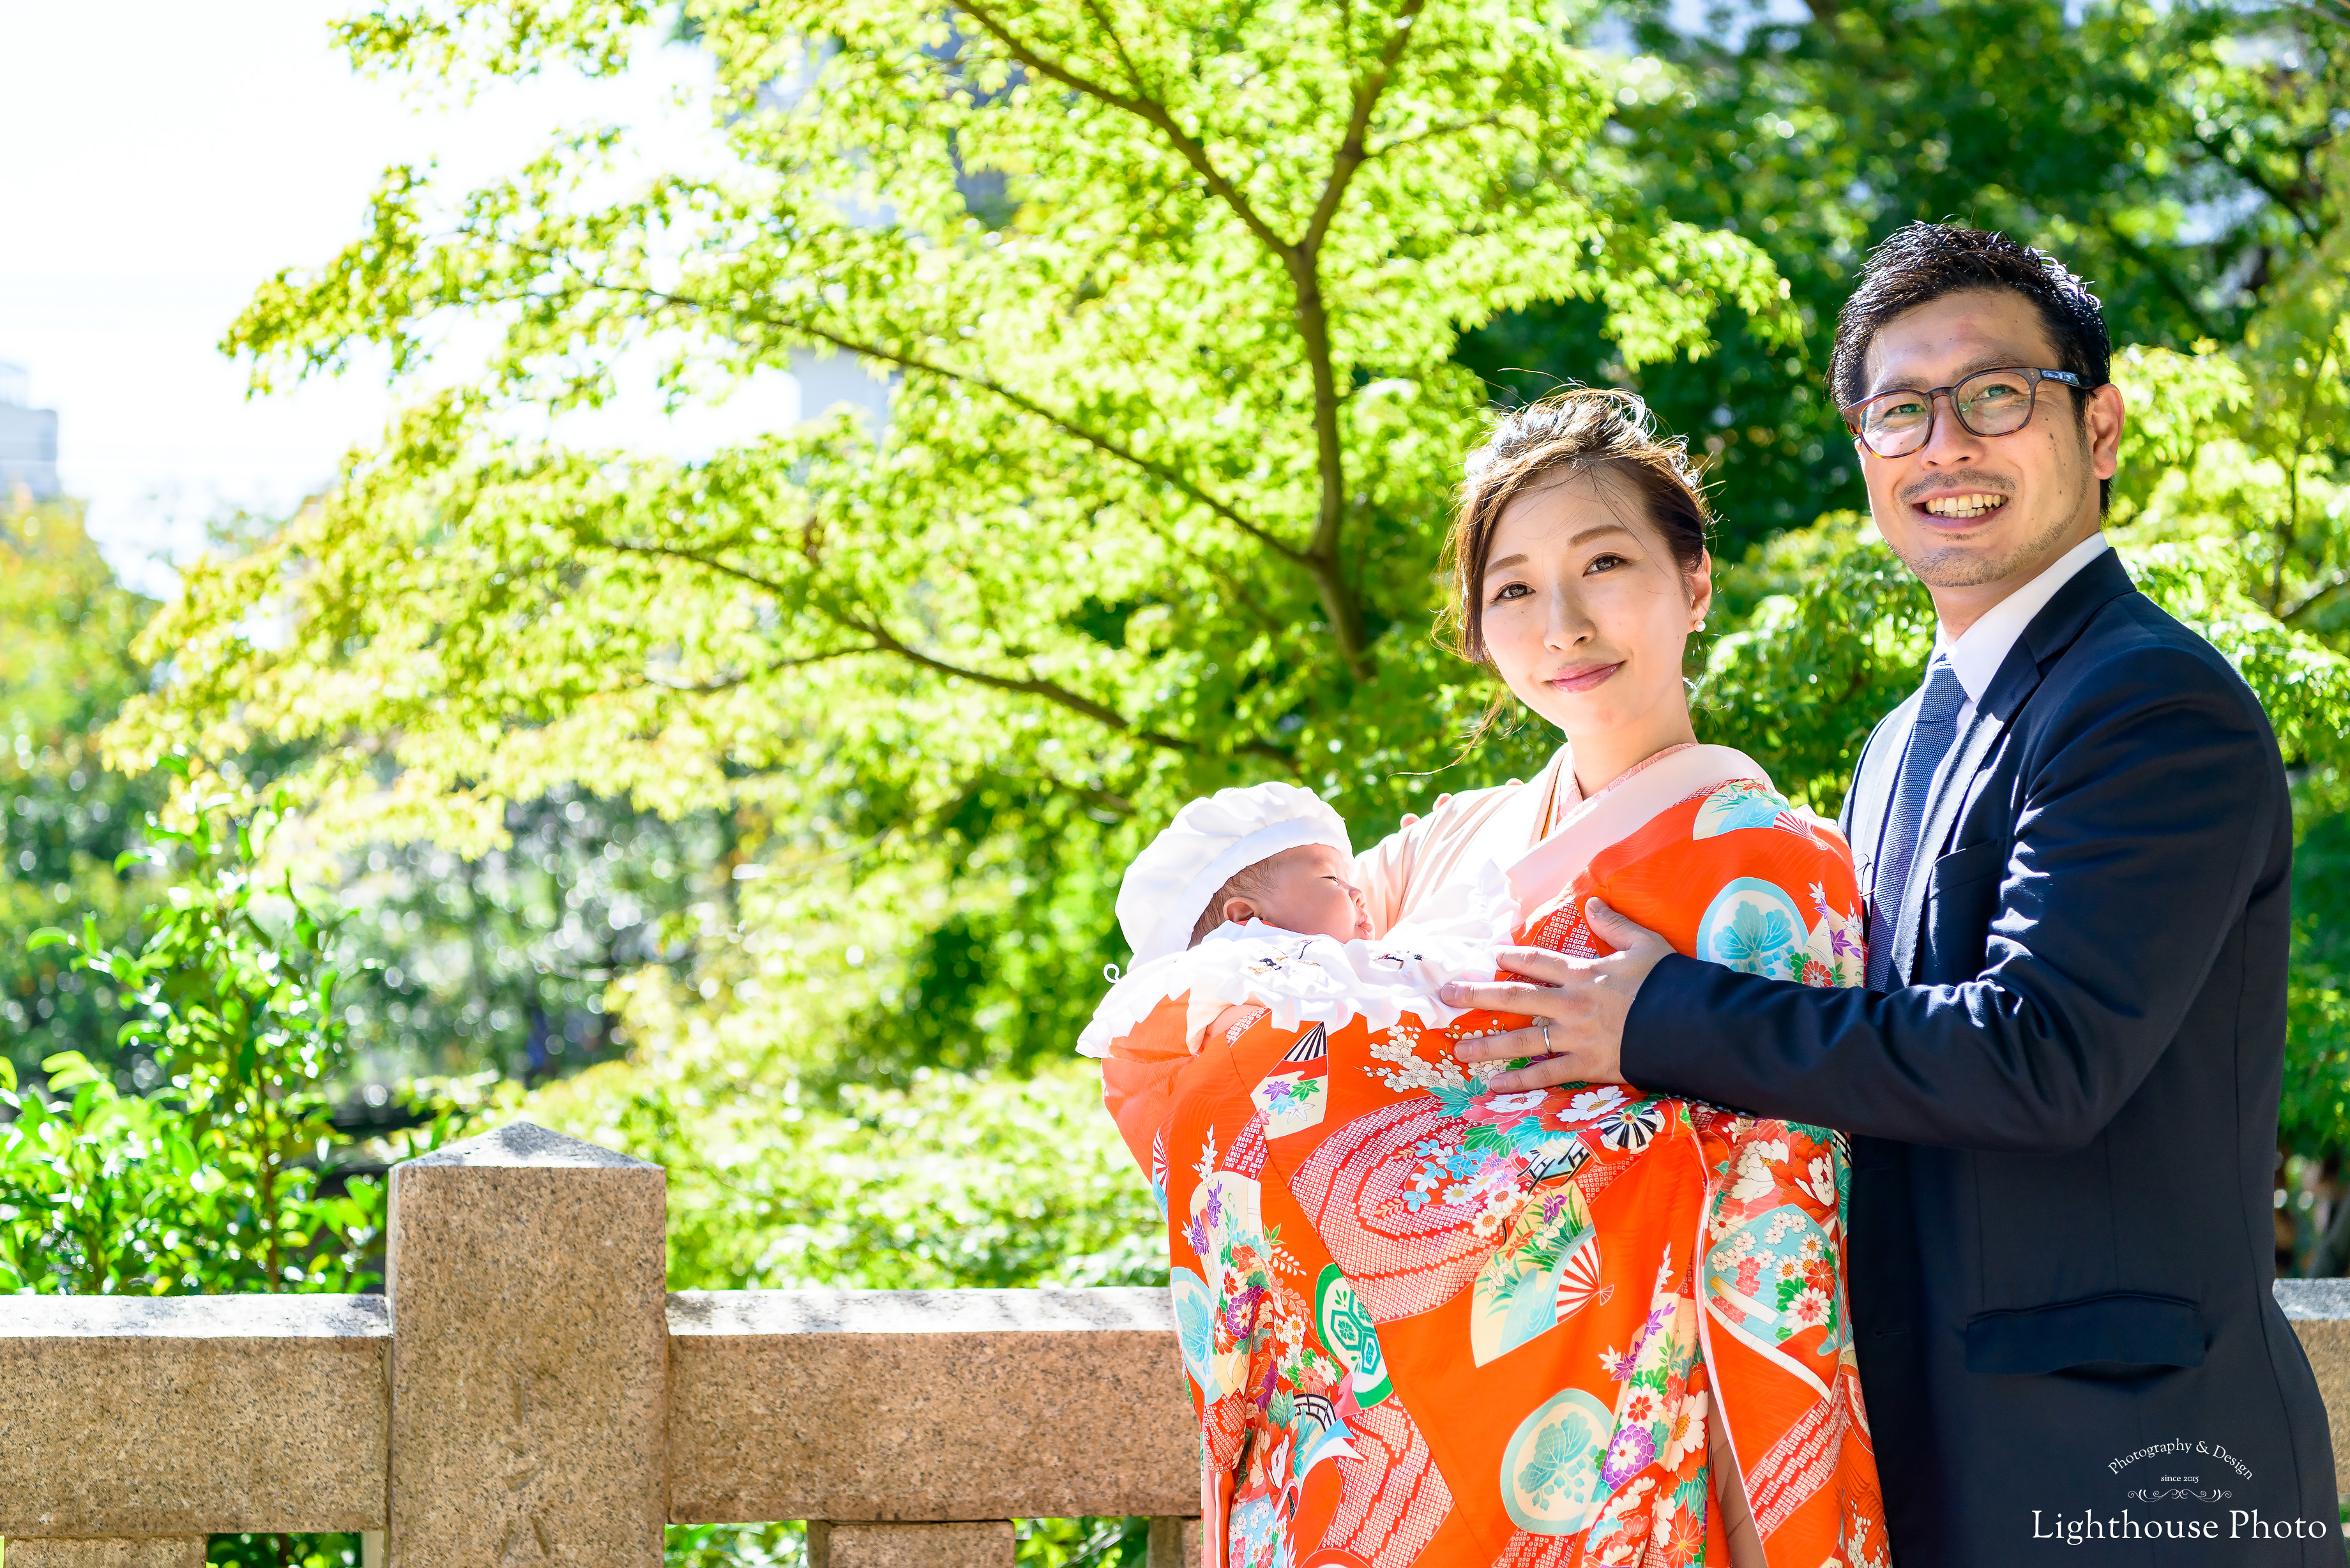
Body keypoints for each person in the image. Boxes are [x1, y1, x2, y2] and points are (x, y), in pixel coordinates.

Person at [1434, 225, 2343, 1564]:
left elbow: (2042, 1057)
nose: (1944, 447)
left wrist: (1662, 1016)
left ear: (2098, 427)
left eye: (1993, 397)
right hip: (1936, 1454)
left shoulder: (2151, 703)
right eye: (1898, 411)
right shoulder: (1899, 740)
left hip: (2129, 1470)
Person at [1089, 393, 1888, 1568]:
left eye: (1605, 563)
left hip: (1624, 1486)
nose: (1562, 624)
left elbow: (1778, 1253)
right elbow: (1220, 1008)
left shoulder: (1769, 873)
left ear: (1695, 582)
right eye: (1513, 588)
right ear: (1476, 624)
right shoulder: (1444, 846)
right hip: (1386, 1464)